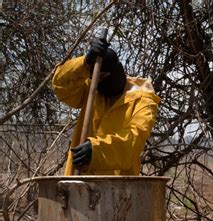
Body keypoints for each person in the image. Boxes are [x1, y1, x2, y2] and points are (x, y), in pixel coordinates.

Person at [52, 36, 160, 175]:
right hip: (79, 184)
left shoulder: (143, 100)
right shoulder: (91, 91)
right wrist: (84, 63)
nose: (98, 82)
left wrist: (96, 151)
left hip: (119, 190)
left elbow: (133, 140)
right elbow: (60, 85)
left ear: (117, 71)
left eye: (102, 77)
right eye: (95, 78)